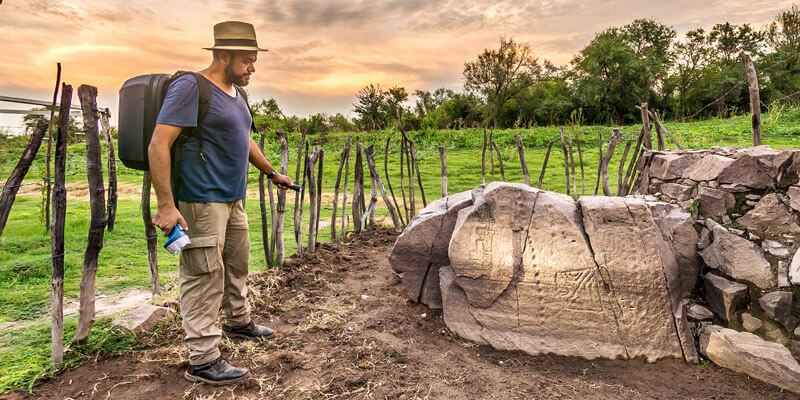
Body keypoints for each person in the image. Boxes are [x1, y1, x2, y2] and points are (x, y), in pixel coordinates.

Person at [148, 21, 293, 385]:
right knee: (203, 275)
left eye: (254, 60)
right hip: (200, 200)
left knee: (236, 264)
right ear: (222, 55)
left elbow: (243, 139)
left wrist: (271, 172)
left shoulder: (236, 95)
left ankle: (238, 321)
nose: (252, 68)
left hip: (233, 198)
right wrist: (166, 204)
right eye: (247, 60)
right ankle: (203, 358)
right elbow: (158, 144)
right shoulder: (191, 88)